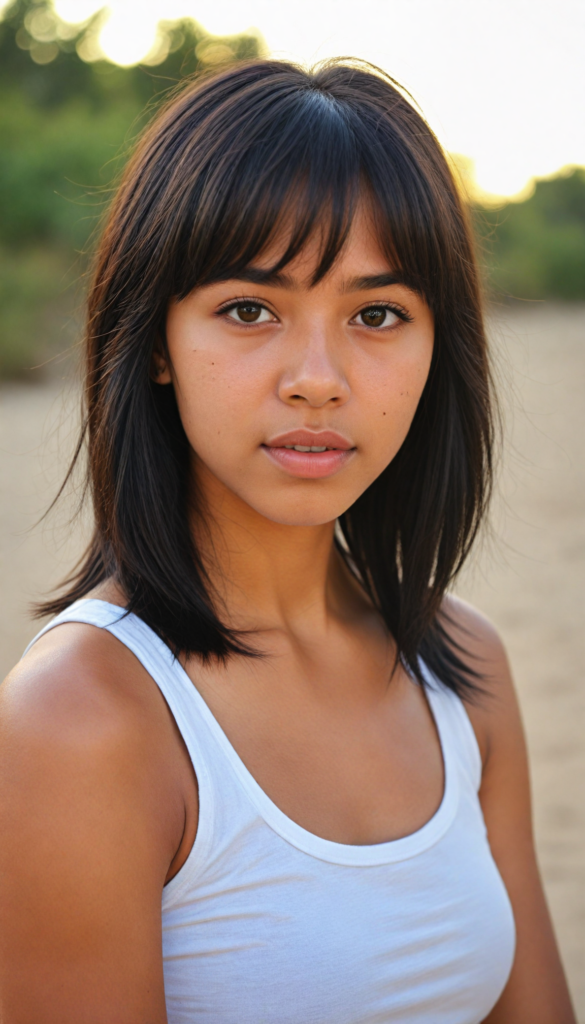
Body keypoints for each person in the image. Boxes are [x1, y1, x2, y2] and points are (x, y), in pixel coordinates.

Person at [0, 59, 575, 1024]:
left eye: (377, 314)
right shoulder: (78, 726)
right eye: (249, 309)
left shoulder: (464, 661)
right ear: (154, 341)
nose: (318, 378)